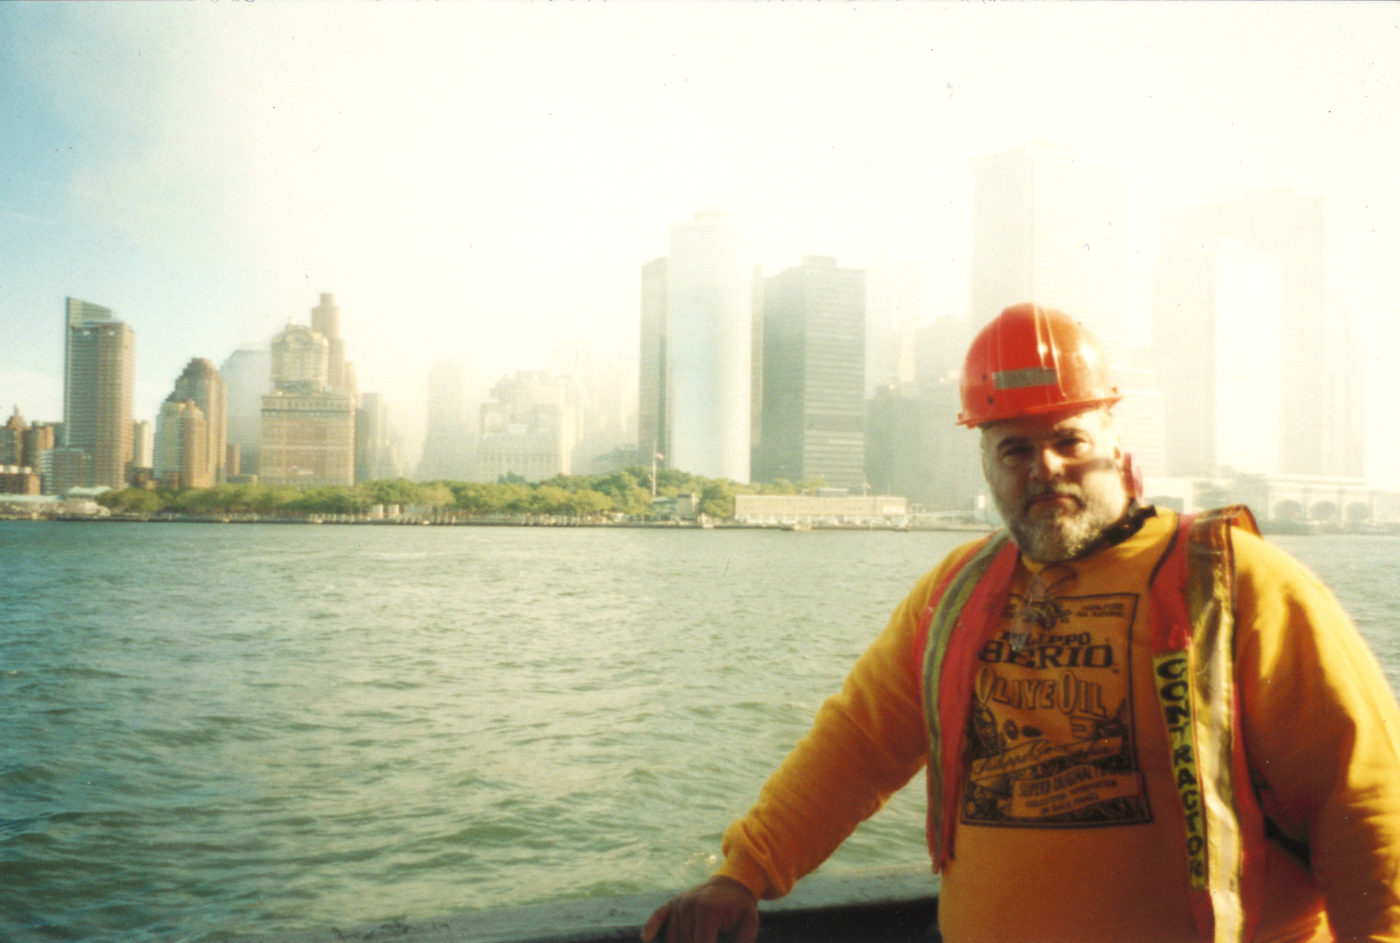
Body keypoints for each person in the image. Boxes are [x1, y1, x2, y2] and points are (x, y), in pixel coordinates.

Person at [641, 303, 1400, 943]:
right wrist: (745, 871)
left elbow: (1362, 795)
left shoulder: (1241, 583)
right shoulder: (956, 592)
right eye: (1014, 447)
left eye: (1068, 440)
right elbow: (857, 746)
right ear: (985, 462)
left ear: (1117, 446)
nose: (1044, 468)